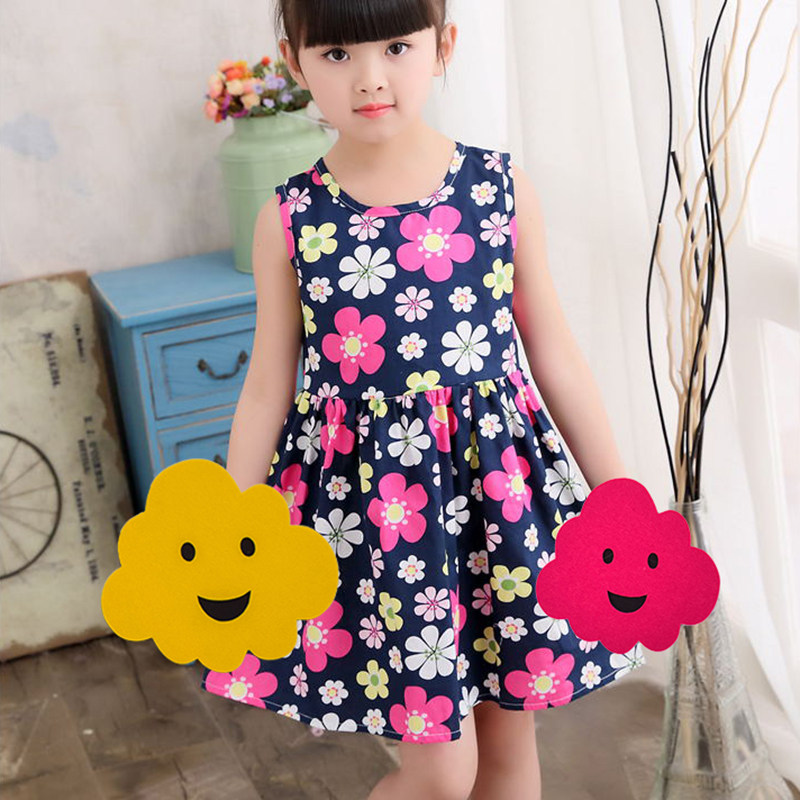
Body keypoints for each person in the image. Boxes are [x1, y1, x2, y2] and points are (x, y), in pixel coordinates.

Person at [201, 1, 645, 798]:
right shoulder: (291, 218)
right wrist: (231, 526)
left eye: (397, 47)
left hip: (497, 506)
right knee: (441, 774)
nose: (371, 78)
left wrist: (620, 503)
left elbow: (556, 355)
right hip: (377, 524)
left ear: (443, 46)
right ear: (295, 63)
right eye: (337, 54)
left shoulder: (499, 189)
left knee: (508, 754)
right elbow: (268, 383)